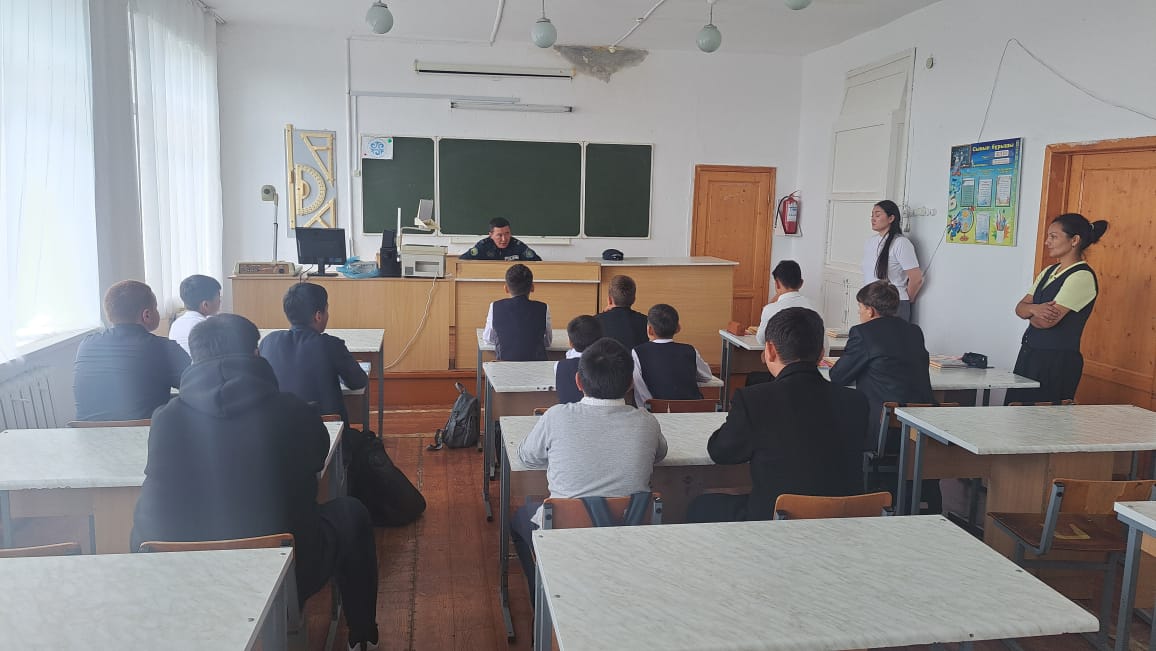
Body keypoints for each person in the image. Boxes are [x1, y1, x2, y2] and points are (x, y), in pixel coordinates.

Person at [130, 314, 380, 650]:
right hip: (286, 569)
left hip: (187, 572)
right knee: (352, 512)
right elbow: (318, 458)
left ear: (194, 359)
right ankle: (362, 636)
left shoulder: (166, 418)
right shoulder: (292, 410)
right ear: (256, 354)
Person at [511, 337, 667, 591]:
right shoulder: (646, 421)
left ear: (578, 382)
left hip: (565, 535)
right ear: (631, 383)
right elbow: (659, 454)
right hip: (630, 530)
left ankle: (543, 597)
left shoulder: (557, 416)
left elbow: (526, 457)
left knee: (519, 518)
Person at [687, 307, 867, 522]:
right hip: (844, 519)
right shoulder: (856, 402)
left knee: (701, 506)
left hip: (779, 519)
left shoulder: (754, 399)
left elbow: (721, 453)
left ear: (770, 350)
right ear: (821, 353)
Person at [1006, 213, 1109, 404]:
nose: (1047, 242)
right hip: (1029, 355)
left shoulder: (1081, 276)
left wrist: (1029, 310)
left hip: (1056, 363)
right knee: (1016, 412)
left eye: (1053, 237)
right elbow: (1019, 308)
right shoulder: (1049, 271)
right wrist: (1035, 309)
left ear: (1074, 240)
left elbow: (1045, 322)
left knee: (1043, 417)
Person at [829, 280, 933, 445]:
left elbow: (838, 376)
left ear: (870, 311)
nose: (859, 312)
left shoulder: (863, 333)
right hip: (921, 423)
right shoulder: (914, 331)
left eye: (860, 307)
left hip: (883, 424)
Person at [73, 280, 191, 421]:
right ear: (146, 315)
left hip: (87, 432)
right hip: (144, 431)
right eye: (156, 308)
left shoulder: (86, 345)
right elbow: (196, 386)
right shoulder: (164, 348)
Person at [259, 283, 368, 425]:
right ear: (318, 316)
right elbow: (358, 382)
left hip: (278, 430)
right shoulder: (330, 345)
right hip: (326, 431)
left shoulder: (268, 341)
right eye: (326, 310)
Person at [631, 303, 712, 407]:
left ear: (650, 330)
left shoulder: (638, 352)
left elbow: (641, 391)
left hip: (656, 410)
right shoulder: (690, 350)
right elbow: (707, 376)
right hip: (692, 410)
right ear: (678, 328)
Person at [862, 200, 922, 322]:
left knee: (893, 334)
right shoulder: (870, 241)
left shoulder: (900, 243)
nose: (873, 219)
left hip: (894, 304)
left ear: (891, 218)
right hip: (872, 302)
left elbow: (916, 278)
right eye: (872, 215)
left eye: (877, 215)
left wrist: (907, 299)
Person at [480, 263, 552, 361]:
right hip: (537, 366)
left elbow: (488, 339)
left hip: (505, 365)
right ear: (532, 287)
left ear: (506, 288)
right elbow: (547, 342)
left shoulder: (495, 306)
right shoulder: (543, 308)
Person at [756, 260, 815, 346]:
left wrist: (771, 304)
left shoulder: (770, 309)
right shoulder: (815, 306)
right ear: (801, 283)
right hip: (811, 354)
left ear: (777, 283)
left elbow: (761, 340)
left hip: (783, 354)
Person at [169, 274, 222, 356]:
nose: (220, 301)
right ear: (205, 305)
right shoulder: (207, 327)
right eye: (218, 298)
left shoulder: (175, 324)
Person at [555, 315, 603, 404]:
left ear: (570, 343)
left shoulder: (559, 366)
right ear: (600, 340)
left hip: (569, 412)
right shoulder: (607, 364)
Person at [594, 274, 648, 350]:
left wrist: (603, 314)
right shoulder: (647, 322)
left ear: (609, 300)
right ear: (634, 299)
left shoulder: (594, 323)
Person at [458, 217, 542, 261]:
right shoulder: (483, 246)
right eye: (499, 235)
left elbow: (537, 262)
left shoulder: (518, 246)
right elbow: (463, 260)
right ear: (491, 235)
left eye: (507, 234)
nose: (504, 239)